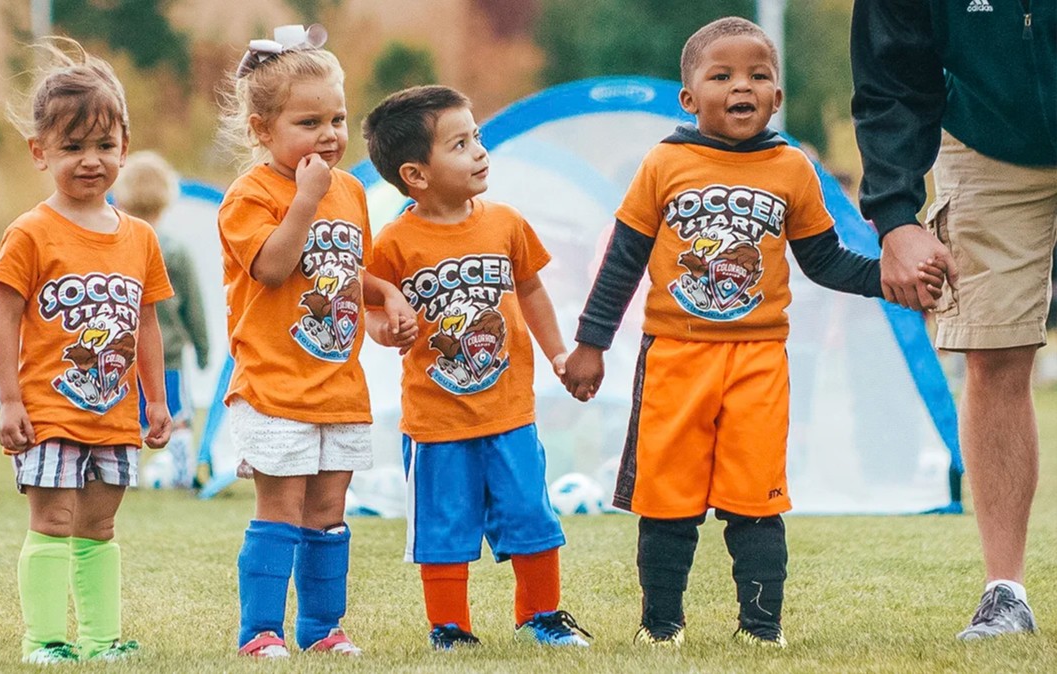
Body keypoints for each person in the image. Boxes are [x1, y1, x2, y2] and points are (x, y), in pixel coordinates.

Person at [562, 17, 937, 649]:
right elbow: (624, 257)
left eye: (759, 76)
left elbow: (822, 261)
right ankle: (661, 627)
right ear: (690, 98)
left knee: (756, 498)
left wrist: (887, 281)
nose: (744, 86)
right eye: (724, 75)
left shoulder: (792, 167)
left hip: (760, 358)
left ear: (777, 96)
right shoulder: (665, 162)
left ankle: (760, 628)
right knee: (668, 501)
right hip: (675, 357)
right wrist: (591, 344)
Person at [851, 0, 1056, 640]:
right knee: (991, 352)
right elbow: (892, 78)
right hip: (988, 142)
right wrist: (896, 216)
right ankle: (1006, 595)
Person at [363, 84, 593, 650]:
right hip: (437, 420)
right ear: (415, 174)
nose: (480, 152)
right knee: (442, 529)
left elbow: (533, 290)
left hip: (510, 411)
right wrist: (388, 326)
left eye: (478, 138)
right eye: (461, 144)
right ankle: (450, 627)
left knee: (531, 517)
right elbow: (372, 307)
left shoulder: (506, 223)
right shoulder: (394, 242)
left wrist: (560, 352)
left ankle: (541, 616)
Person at [216, 24, 417, 659]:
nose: (328, 135)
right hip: (274, 383)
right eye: (309, 122)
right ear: (261, 130)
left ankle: (323, 629)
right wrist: (304, 201)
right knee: (281, 508)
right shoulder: (249, 195)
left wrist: (386, 295)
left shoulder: (352, 190)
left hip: (336, 380)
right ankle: (261, 632)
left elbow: (337, 270)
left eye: (337, 119)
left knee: (329, 511)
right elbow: (274, 268)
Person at [0, 38, 173, 664]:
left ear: (124, 143)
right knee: (54, 523)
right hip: (49, 412)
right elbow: (5, 317)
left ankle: (100, 642)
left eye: (104, 145)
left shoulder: (141, 237)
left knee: (99, 527)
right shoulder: (31, 231)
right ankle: (43, 640)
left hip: (114, 417)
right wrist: (9, 399)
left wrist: (156, 400)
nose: (90, 160)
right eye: (72, 147)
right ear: (41, 152)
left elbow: (146, 325)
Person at [114, 150, 210, 488]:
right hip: (168, 357)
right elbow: (194, 307)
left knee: (128, 418)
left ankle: (128, 475)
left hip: (124, 358)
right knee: (177, 417)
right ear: (167, 197)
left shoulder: (115, 245)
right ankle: (183, 474)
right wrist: (203, 349)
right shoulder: (175, 250)